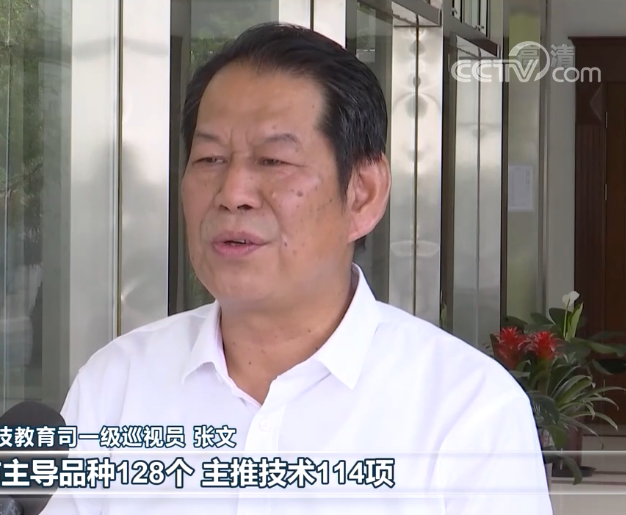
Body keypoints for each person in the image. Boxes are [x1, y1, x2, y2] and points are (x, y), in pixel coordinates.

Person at [43, 22, 552, 515]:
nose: (233, 194)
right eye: (210, 159)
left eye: (273, 161)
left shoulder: (466, 411)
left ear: (362, 194)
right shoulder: (117, 384)